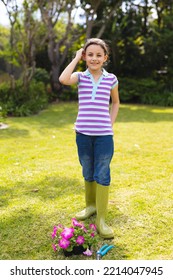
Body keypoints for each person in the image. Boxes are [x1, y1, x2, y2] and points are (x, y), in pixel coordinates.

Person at [59, 38, 120, 239]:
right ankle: (90, 206)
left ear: (105, 58)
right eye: (90, 54)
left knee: (102, 172)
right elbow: (63, 79)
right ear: (86, 57)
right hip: (83, 134)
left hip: (104, 136)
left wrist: (109, 124)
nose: (94, 58)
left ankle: (101, 218)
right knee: (87, 168)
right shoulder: (80, 77)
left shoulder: (111, 79)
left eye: (98, 55)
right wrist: (76, 57)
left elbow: (116, 103)